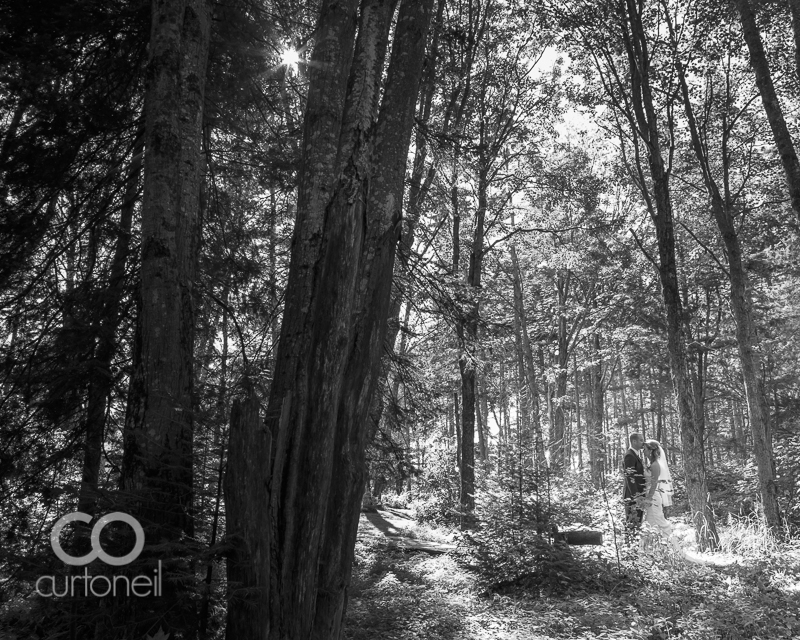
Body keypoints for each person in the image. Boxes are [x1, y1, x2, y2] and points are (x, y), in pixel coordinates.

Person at [639, 439, 680, 555]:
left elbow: (654, 483)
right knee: (650, 525)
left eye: (645, 449)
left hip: (653, 497)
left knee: (658, 523)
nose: (644, 452)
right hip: (650, 496)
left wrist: (648, 498)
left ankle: (673, 551)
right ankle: (652, 551)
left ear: (651, 451)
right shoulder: (651, 464)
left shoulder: (656, 465)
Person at [622, 433, 646, 543]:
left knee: (637, 522)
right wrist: (636, 496)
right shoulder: (629, 456)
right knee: (632, 522)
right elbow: (630, 477)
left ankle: (634, 548)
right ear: (634, 441)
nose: (643, 443)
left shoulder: (636, 455)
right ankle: (629, 548)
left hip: (639, 495)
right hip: (632, 496)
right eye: (641, 440)